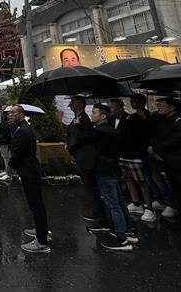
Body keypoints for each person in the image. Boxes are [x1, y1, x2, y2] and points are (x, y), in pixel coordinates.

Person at [90, 104, 136, 251]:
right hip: (113, 168)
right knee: (119, 202)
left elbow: (85, 135)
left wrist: (79, 125)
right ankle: (128, 230)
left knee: (113, 204)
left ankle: (121, 238)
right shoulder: (112, 131)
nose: (92, 115)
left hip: (105, 170)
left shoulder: (99, 131)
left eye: (94, 112)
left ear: (103, 116)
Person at [8, 105, 51, 254]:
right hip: (28, 168)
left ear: (21, 114)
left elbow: (18, 152)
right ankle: (41, 230)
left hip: (28, 170)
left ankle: (42, 241)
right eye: (10, 112)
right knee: (35, 204)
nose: (11, 115)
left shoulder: (23, 130)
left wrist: (11, 164)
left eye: (14, 112)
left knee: (36, 204)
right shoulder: (22, 128)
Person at [111, 98, 156, 223]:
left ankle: (149, 207)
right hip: (122, 154)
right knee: (127, 178)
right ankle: (136, 202)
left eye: (113, 107)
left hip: (134, 154)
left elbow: (143, 133)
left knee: (141, 180)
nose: (111, 110)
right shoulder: (116, 120)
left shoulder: (134, 118)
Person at [66, 96, 106, 225]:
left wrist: (70, 149)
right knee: (89, 188)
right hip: (80, 156)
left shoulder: (83, 119)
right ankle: (96, 212)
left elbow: (80, 138)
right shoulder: (76, 119)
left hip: (85, 158)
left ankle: (100, 216)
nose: (70, 105)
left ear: (80, 104)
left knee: (91, 187)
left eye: (73, 103)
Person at [149, 98, 181, 219]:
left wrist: (156, 148)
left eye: (161, 106)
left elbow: (175, 139)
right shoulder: (161, 120)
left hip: (176, 159)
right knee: (172, 186)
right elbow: (155, 134)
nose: (159, 108)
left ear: (172, 107)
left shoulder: (178, 120)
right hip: (165, 159)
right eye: (158, 105)